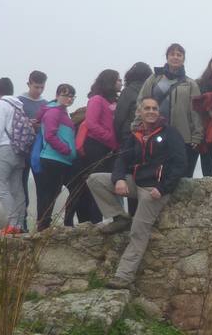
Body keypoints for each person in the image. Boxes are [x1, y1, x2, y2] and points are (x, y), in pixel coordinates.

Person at [86, 96, 187, 290]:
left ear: (159, 112)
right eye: (147, 108)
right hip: (136, 182)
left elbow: (180, 163)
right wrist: (119, 179)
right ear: (140, 112)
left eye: (155, 108)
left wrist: (163, 187)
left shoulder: (170, 133)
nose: (151, 111)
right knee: (95, 179)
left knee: (139, 231)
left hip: (154, 189)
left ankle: (123, 277)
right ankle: (118, 216)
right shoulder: (135, 135)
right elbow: (121, 160)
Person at [137, 43, 202, 177]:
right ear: (167, 57)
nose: (175, 57)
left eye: (179, 55)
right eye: (172, 54)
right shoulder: (154, 79)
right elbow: (141, 102)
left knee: (180, 175)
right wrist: (137, 124)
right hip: (154, 133)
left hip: (182, 135)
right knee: (156, 174)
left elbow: (196, 111)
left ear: (183, 59)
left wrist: (197, 135)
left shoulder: (190, 83)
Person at [67, 69, 122, 226]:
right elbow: (91, 123)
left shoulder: (111, 101)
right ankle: (95, 221)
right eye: (117, 80)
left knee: (104, 182)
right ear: (109, 82)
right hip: (96, 147)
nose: (120, 83)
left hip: (107, 147)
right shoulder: (97, 100)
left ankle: (101, 218)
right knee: (96, 182)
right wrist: (110, 138)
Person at [0, 77, 28, 234]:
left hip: (3, 150)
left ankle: (12, 221)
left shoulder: (1, 105)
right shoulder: (19, 107)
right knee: (17, 189)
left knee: (0, 186)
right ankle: (19, 225)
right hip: (19, 151)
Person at [34, 84, 78, 230]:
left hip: (60, 159)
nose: (69, 98)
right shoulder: (54, 112)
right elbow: (50, 135)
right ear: (58, 95)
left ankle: (45, 224)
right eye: (65, 95)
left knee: (52, 192)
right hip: (53, 158)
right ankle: (43, 225)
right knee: (49, 193)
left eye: (72, 96)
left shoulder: (62, 111)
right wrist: (66, 149)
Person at [16, 70, 48, 230]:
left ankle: (42, 223)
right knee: (21, 186)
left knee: (42, 186)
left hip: (38, 151)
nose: (39, 91)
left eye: (42, 87)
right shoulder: (19, 101)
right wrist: (28, 124)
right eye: (36, 87)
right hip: (21, 150)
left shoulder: (46, 104)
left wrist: (40, 125)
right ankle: (22, 223)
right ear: (29, 84)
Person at [115, 62, 153, 147]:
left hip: (129, 134)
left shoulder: (127, 91)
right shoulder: (151, 91)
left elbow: (119, 117)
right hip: (148, 133)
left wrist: (118, 137)